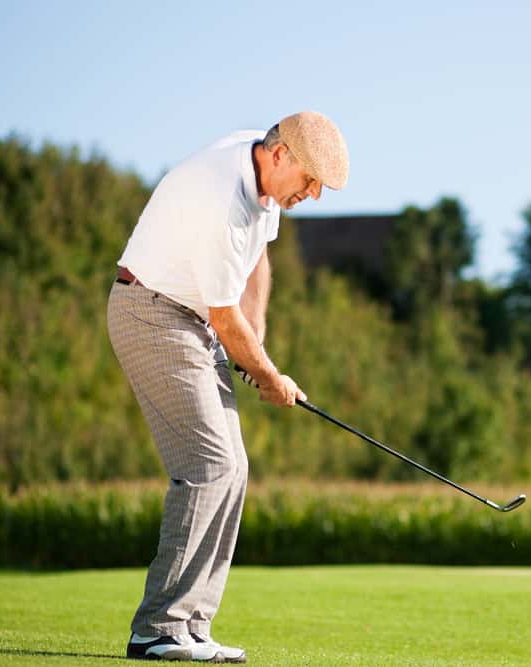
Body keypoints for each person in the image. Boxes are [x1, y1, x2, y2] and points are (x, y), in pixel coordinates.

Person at [107, 111, 349, 662]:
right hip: (151, 312)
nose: (313, 194)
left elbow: (257, 262)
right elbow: (222, 316)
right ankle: (158, 629)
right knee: (208, 464)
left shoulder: (262, 180)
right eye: (311, 180)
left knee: (233, 468)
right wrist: (270, 377)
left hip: (187, 320)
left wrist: (257, 337)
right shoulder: (223, 198)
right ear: (281, 153)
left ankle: (191, 625)